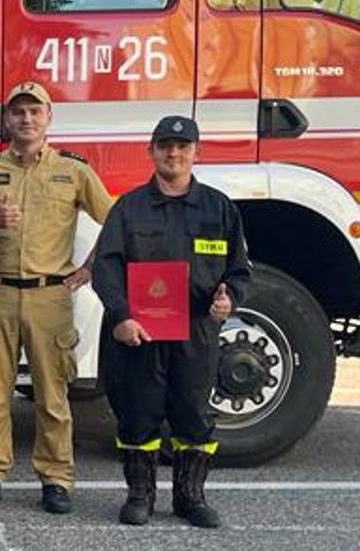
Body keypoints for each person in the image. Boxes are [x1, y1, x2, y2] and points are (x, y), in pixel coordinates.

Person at [91, 115, 249, 529]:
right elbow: (106, 268)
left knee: (193, 414)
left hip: (197, 331)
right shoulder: (129, 208)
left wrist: (228, 298)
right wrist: (120, 316)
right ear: (151, 151)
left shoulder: (219, 208)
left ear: (197, 152)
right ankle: (139, 496)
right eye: (165, 145)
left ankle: (190, 498)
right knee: (139, 413)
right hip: (141, 335)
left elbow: (239, 270)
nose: (173, 153)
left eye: (182, 146)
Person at [0, 81, 112, 514]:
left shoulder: (73, 171)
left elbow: (117, 221)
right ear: (7, 119)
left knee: (52, 394)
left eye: (35, 112)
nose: (26, 119)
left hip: (50, 296)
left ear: (48, 117)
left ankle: (56, 478)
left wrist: (88, 268)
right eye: (18, 112)